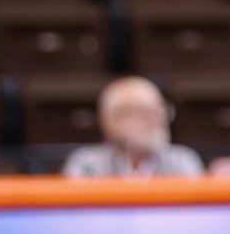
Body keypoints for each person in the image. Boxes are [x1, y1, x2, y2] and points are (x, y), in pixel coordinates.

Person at [63, 76, 203, 178]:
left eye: (160, 110)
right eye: (143, 112)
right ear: (110, 122)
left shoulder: (182, 162)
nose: (158, 119)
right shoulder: (88, 166)